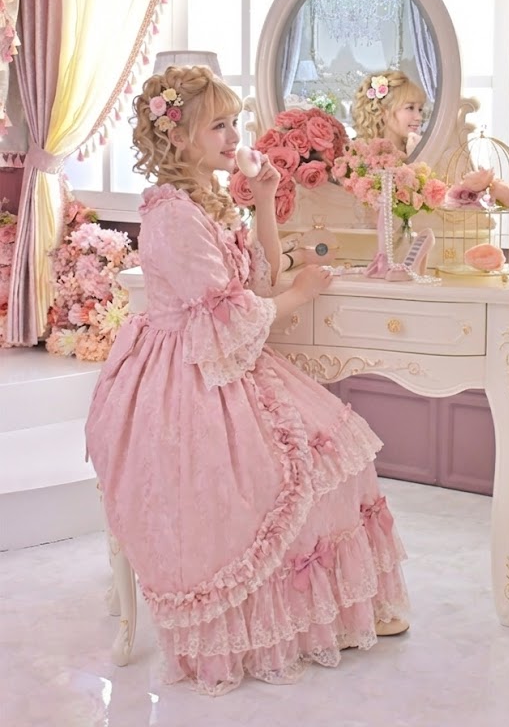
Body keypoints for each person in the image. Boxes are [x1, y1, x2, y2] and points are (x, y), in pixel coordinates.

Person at [85, 65, 409, 696]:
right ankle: (272, 625)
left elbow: (255, 280)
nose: (234, 136)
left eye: (234, 122)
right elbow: (231, 315)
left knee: (335, 454)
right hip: (188, 376)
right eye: (219, 125)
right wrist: (304, 292)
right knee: (274, 477)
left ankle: (333, 611)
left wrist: (263, 199)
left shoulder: (203, 200)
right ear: (178, 137)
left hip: (225, 358)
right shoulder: (171, 216)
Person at [352, 70, 425, 154]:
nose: (419, 117)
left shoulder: (423, 150)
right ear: (383, 111)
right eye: (410, 108)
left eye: (420, 109)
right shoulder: (360, 157)